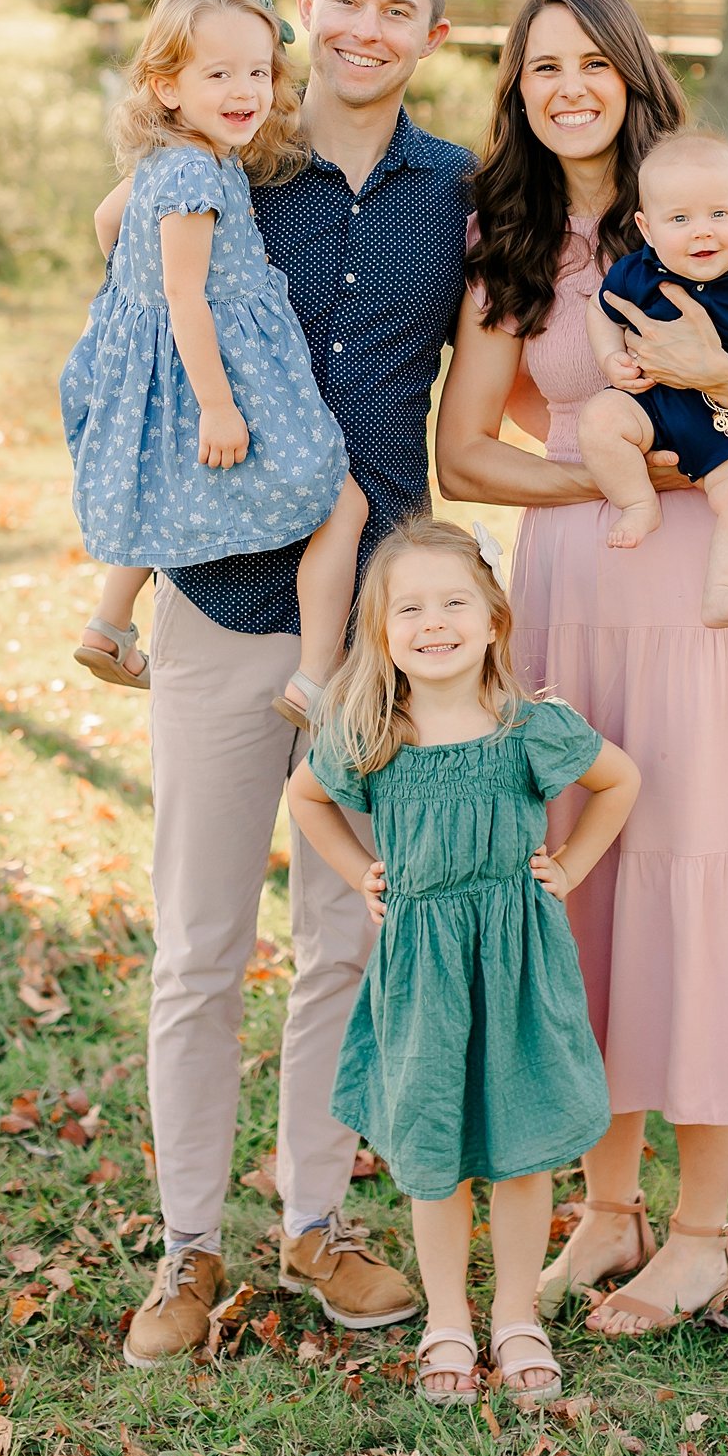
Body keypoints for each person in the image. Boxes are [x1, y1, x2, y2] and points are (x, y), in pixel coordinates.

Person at [436, 0, 728, 1337]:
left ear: (630, 70)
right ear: (517, 85)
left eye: (589, 62)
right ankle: (606, 1213)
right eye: (540, 64)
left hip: (711, 586)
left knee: (704, 866)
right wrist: (610, 478)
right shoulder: (512, 229)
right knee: (587, 889)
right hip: (577, 579)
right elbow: (466, 449)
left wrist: (706, 395)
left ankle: (705, 1230)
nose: (567, 86)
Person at [116, 0, 476, 1368]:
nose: (368, 28)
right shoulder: (218, 165)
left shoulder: (458, 189)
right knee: (201, 946)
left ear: (434, 36)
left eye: (402, 9)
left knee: (347, 936)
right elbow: (134, 297)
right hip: (217, 597)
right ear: (306, 6)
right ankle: (186, 1247)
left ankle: (316, 1214)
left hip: (381, 628)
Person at [288, 519, 640, 1407]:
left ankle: (517, 1315)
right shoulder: (373, 730)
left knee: (522, 1150)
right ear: (381, 633)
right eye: (409, 608)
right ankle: (449, 1317)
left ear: (492, 621)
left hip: (518, 965)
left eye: (454, 603)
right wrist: (358, 871)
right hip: (422, 975)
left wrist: (572, 866)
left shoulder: (530, 727)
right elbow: (306, 799)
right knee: (431, 1148)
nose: (432, 622)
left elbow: (619, 780)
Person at [61, 0, 368, 730]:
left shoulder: (167, 160)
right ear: (165, 87)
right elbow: (187, 295)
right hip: (218, 374)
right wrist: (219, 403)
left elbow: (108, 224)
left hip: (165, 371)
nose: (246, 89)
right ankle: (316, 679)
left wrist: (133, 313)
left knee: (158, 494)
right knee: (342, 498)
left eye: (259, 71)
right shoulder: (198, 174)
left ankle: (108, 624)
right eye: (219, 74)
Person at [578, 130, 728, 626]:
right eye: (680, 219)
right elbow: (600, 311)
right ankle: (637, 502)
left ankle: (723, 592)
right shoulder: (637, 271)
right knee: (600, 418)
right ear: (647, 229)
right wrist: (609, 359)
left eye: (720, 214)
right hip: (652, 405)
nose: (703, 232)